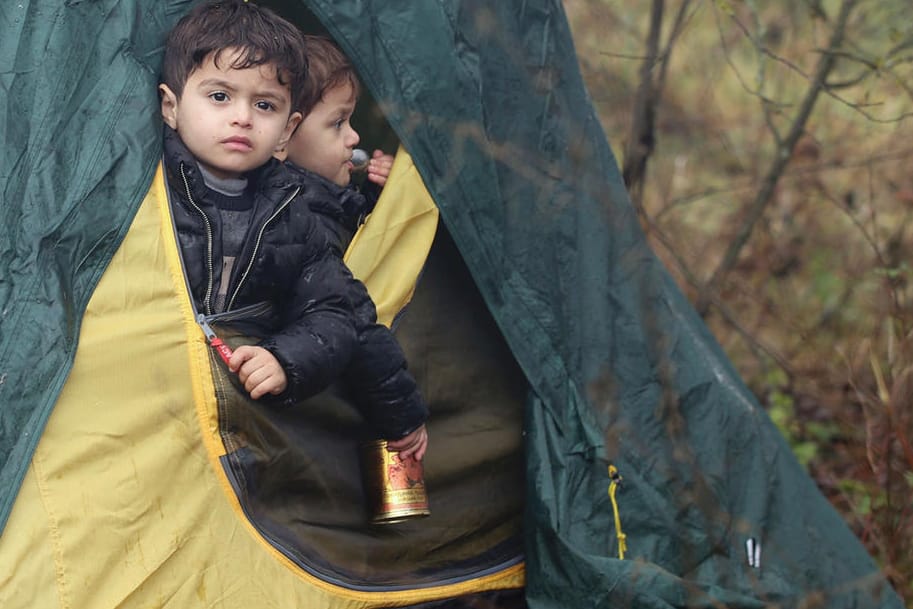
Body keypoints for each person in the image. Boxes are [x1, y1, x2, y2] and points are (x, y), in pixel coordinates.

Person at [159, 1, 427, 461]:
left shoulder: (292, 216)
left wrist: (286, 358)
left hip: (230, 436)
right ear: (171, 106)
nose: (242, 117)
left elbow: (339, 313)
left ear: (286, 132)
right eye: (220, 97)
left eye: (263, 105)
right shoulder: (148, 192)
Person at [278, 35, 429, 461]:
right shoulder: (296, 217)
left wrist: (380, 200)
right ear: (284, 135)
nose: (354, 137)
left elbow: (348, 236)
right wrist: (404, 415)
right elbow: (349, 316)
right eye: (337, 124)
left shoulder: (313, 197)